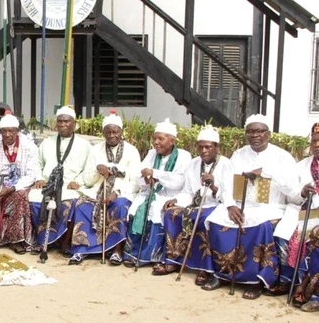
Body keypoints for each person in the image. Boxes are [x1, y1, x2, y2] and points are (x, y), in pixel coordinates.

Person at [203, 114, 300, 299]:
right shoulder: (239, 154)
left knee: (260, 226)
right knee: (215, 220)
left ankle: (256, 281)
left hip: (270, 207)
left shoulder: (282, 156)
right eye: (250, 131)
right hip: (239, 204)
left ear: (268, 134)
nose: (255, 135)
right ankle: (221, 274)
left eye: (259, 131)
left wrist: (267, 173)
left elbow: (293, 190)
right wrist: (230, 206)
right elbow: (226, 183)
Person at [157, 126, 232, 283]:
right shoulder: (193, 163)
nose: (204, 151)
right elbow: (187, 191)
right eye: (200, 147)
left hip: (216, 204)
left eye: (208, 147)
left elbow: (228, 196)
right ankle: (173, 260)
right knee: (172, 213)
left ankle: (203, 268)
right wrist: (177, 200)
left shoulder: (227, 165)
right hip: (195, 203)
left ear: (216, 147)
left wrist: (212, 186)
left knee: (202, 219)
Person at [69, 111, 141, 265]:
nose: (112, 135)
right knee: (81, 205)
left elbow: (136, 182)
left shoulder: (132, 151)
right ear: (103, 133)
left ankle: (117, 250)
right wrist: (98, 169)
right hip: (97, 190)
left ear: (121, 132)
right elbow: (87, 180)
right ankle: (82, 249)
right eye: (108, 132)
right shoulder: (95, 150)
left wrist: (117, 192)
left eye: (115, 132)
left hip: (123, 192)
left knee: (120, 206)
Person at [125, 118, 191, 267]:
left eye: (161, 139)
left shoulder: (184, 156)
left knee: (156, 211)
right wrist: (146, 178)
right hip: (150, 193)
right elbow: (139, 175)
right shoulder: (151, 154)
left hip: (171, 196)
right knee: (136, 209)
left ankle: (149, 256)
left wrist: (155, 173)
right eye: (155, 138)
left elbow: (179, 181)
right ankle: (132, 253)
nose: (156, 142)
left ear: (172, 141)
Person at [28, 106, 90, 255]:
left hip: (70, 185)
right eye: (60, 121)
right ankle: (42, 241)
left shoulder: (85, 145)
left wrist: (79, 182)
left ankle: (65, 241)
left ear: (74, 124)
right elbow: (37, 164)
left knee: (73, 203)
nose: (62, 124)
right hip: (48, 184)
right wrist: (40, 178)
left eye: (66, 121)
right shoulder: (47, 142)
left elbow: (89, 168)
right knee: (32, 198)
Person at [0, 112, 39, 254]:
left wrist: (11, 189)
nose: (8, 134)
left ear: (17, 131)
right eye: (4, 131)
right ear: (0, 132)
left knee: (20, 196)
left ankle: (15, 240)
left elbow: (31, 175)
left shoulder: (29, 147)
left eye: (11, 131)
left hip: (19, 186)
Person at [288, 123, 319, 311]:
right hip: (307, 212)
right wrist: (301, 192)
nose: (317, 145)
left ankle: (311, 291)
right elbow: (289, 194)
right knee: (290, 235)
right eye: (315, 141)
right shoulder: (301, 166)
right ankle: (292, 282)